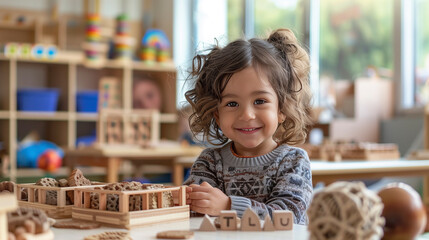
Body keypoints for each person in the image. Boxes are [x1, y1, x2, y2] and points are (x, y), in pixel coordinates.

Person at [183, 28, 314, 225]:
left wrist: (228, 206)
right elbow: (191, 216)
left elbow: (289, 218)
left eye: (260, 101)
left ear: (282, 109)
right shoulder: (209, 162)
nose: (247, 115)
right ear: (217, 114)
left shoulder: (294, 162)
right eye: (232, 104)